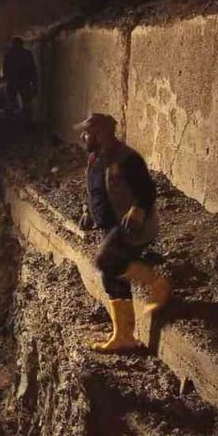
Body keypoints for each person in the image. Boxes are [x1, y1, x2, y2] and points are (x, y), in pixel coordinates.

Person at [74, 112, 170, 352]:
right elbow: (97, 189)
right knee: (111, 277)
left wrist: (138, 209)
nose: (83, 137)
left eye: (87, 133)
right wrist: (88, 211)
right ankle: (123, 336)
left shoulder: (128, 159)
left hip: (130, 226)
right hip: (111, 226)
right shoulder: (96, 158)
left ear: (100, 134)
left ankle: (156, 283)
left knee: (104, 261)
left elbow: (147, 190)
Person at [3, 37, 38, 120]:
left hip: (13, 81)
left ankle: (9, 120)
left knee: (10, 102)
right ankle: (27, 121)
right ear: (21, 44)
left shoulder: (9, 54)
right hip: (24, 81)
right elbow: (32, 69)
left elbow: (5, 68)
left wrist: (7, 78)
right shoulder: (27, 54)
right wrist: (35, 83)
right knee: (26, 103)